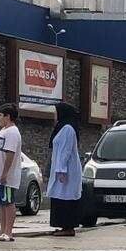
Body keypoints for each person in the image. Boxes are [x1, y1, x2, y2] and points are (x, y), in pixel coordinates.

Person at [47, 101, 82, 237]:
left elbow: (65, 151)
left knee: (66, 197)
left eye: (56, 113)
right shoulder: (62, 127)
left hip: (66, 170)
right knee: (59, 196)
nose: (54, 116)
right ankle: (63, 226)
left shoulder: (67, 128)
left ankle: (69, 227)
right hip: (61, 168)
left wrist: (61, 170)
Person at [0, 103, 23, 242]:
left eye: (0, 115)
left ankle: (8, 232)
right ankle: (2, 229)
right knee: (0, 203)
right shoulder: (4, 130)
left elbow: (10, 154)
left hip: (7, 177)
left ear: (7, 116)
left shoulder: (12, 132)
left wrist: (5, 173)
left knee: (8, 202)